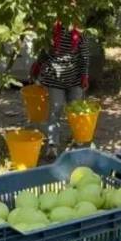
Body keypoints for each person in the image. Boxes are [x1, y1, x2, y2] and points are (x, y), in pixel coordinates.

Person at [31, 17, 91, 158]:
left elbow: (85, 57)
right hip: (54, 80)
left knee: (75, 111)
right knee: (55, 109)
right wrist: (37, 68)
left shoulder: (81, 34)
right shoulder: (53, 32)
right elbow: (44, 52)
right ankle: (52, 145)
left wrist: (85, 76)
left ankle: (79, 140)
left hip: (75, 80)